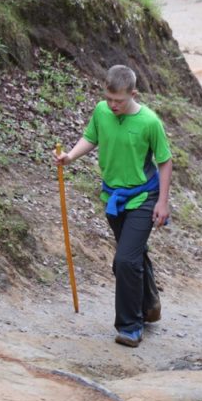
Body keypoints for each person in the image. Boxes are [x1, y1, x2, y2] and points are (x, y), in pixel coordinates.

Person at [56, 64, 171, 348]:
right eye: (108, 98)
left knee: (125, 261)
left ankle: (130, 326)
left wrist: (163, 202)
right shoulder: (101, 111)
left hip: (144, 197)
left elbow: (165, 161)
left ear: (133, 93)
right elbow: (91, 138)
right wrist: (70, 156)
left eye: (118, 100)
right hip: (113, 199)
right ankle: (151, 302)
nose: (112, 105)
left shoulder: (149, 122)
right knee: (132, 255)